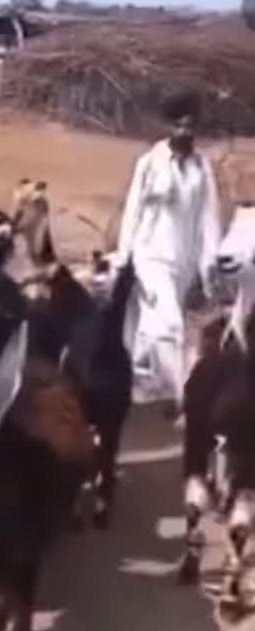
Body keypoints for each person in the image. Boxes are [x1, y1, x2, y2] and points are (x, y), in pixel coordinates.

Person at [112, 92, 222, 421]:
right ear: (169, 126)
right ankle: (182, 398)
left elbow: (209, 218)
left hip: (184, 261)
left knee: (162, 326)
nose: (185, 132)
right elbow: (132, 211)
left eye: (190, 126)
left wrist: (208, 267)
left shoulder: (202, 167)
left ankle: (143, 378)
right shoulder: (150, 163)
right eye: (179, 126)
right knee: (170, 323)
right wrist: (125, 256)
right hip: (150, 256)